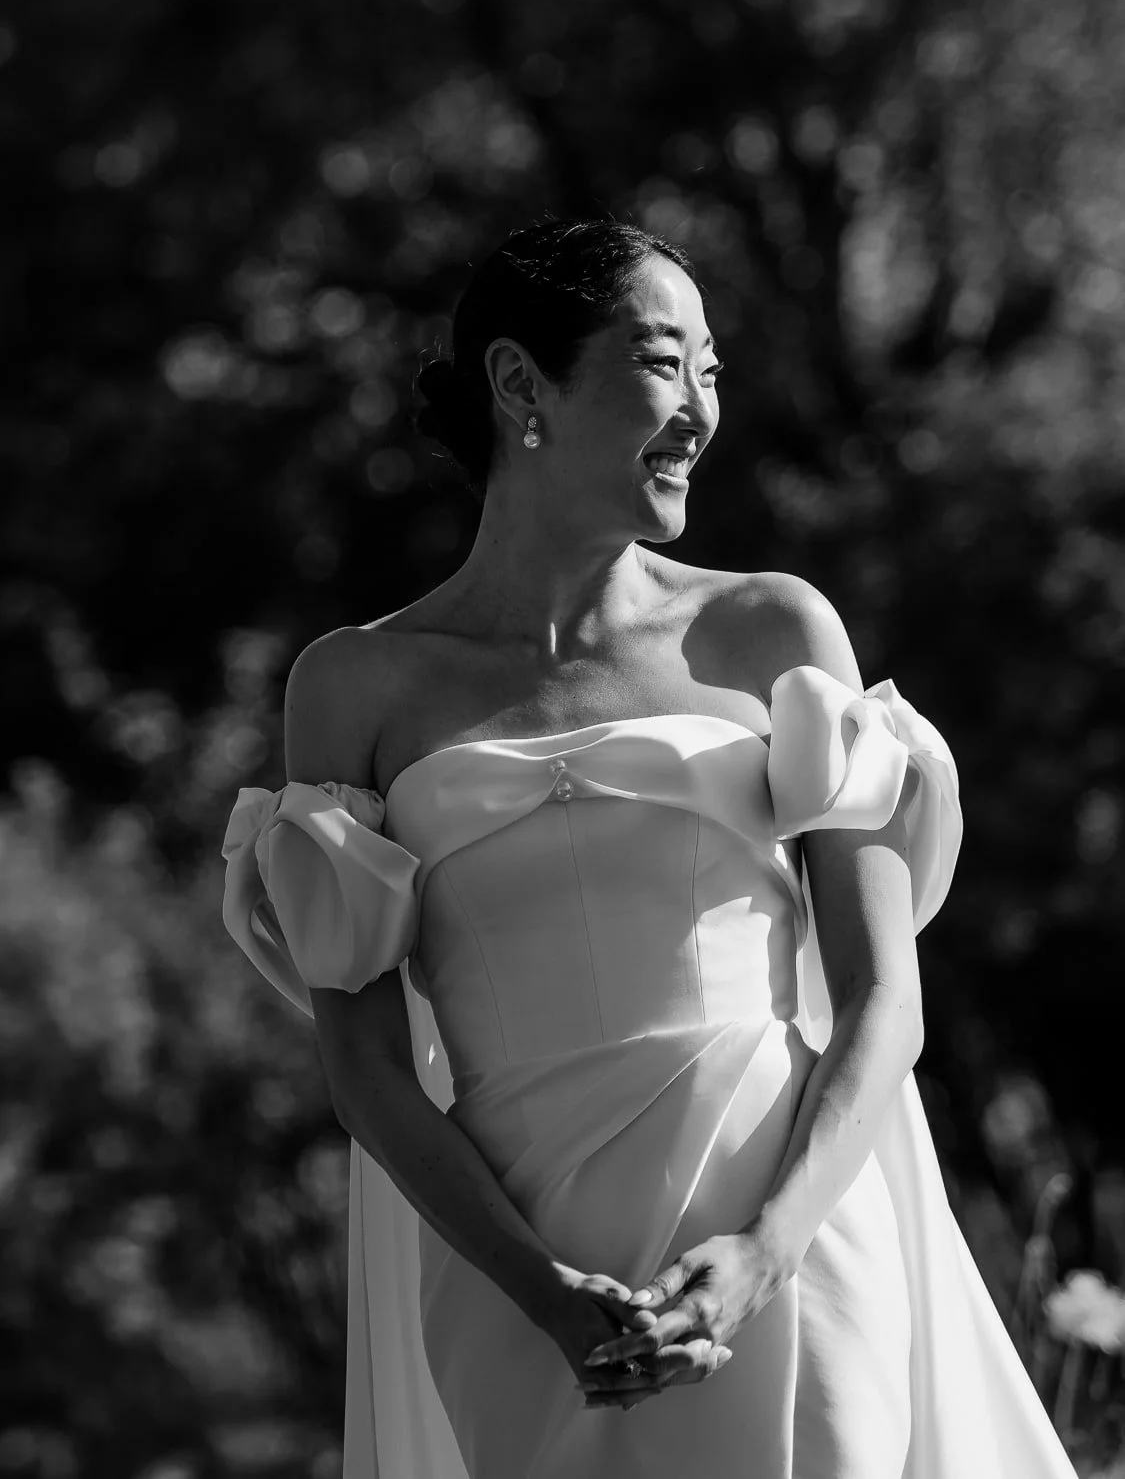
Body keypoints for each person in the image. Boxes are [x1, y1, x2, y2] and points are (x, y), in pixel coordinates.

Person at [222, 219, 1078, 1478]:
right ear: (522, 385)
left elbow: (886, 1000)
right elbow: (364, 1069)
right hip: (523, 1292)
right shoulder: (352, 686)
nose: (703, 412)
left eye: (713, 372)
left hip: (788, 1245)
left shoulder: (771, 627)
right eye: (666, 362)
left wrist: (768, 1250)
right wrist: (543, 1291)